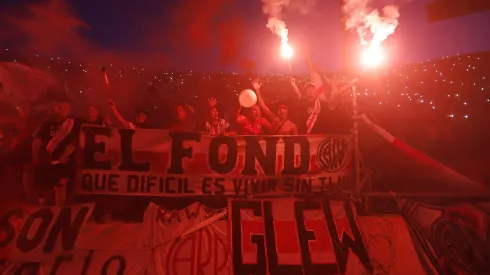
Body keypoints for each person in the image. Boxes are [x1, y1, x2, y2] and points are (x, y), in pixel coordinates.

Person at [31, 99, 77, 206]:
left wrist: (62, 158)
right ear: (55, 108)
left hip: (64, 161)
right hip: (45, 160)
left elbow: (73, 145)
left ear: (69, 109)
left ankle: (58, 211)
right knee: (43, 186)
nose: (62, 110)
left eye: (65, 107)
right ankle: (43, 210)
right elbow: (36, 140)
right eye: (59, 107)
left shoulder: (73, 124)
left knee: (60, 185)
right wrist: (35, 157)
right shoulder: (45, 123)